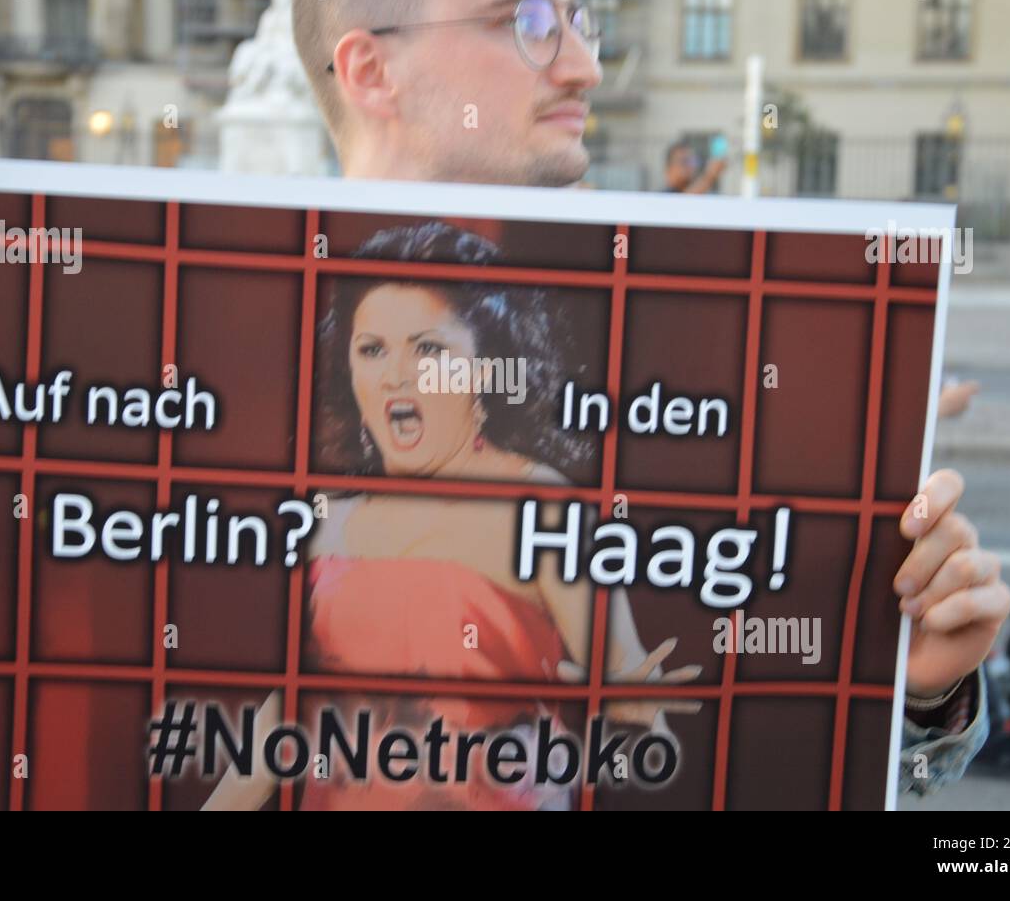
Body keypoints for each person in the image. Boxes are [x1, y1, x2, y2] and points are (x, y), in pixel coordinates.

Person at [0, 0, 1008, 807]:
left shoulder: (632, 434)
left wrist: (912, 703)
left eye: (581, 19)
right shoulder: (257, 458)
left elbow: (685, 740)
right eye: (532, 19)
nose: (585, 62)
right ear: (370, 68)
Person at [206, 222, 695, 809]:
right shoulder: (329, 521)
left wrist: (635, 720)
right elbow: (286, 716)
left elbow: (641, 716)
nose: (395, 374)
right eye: (373, 349)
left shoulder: (542, 507)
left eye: (428, 349)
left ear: (485, 368)